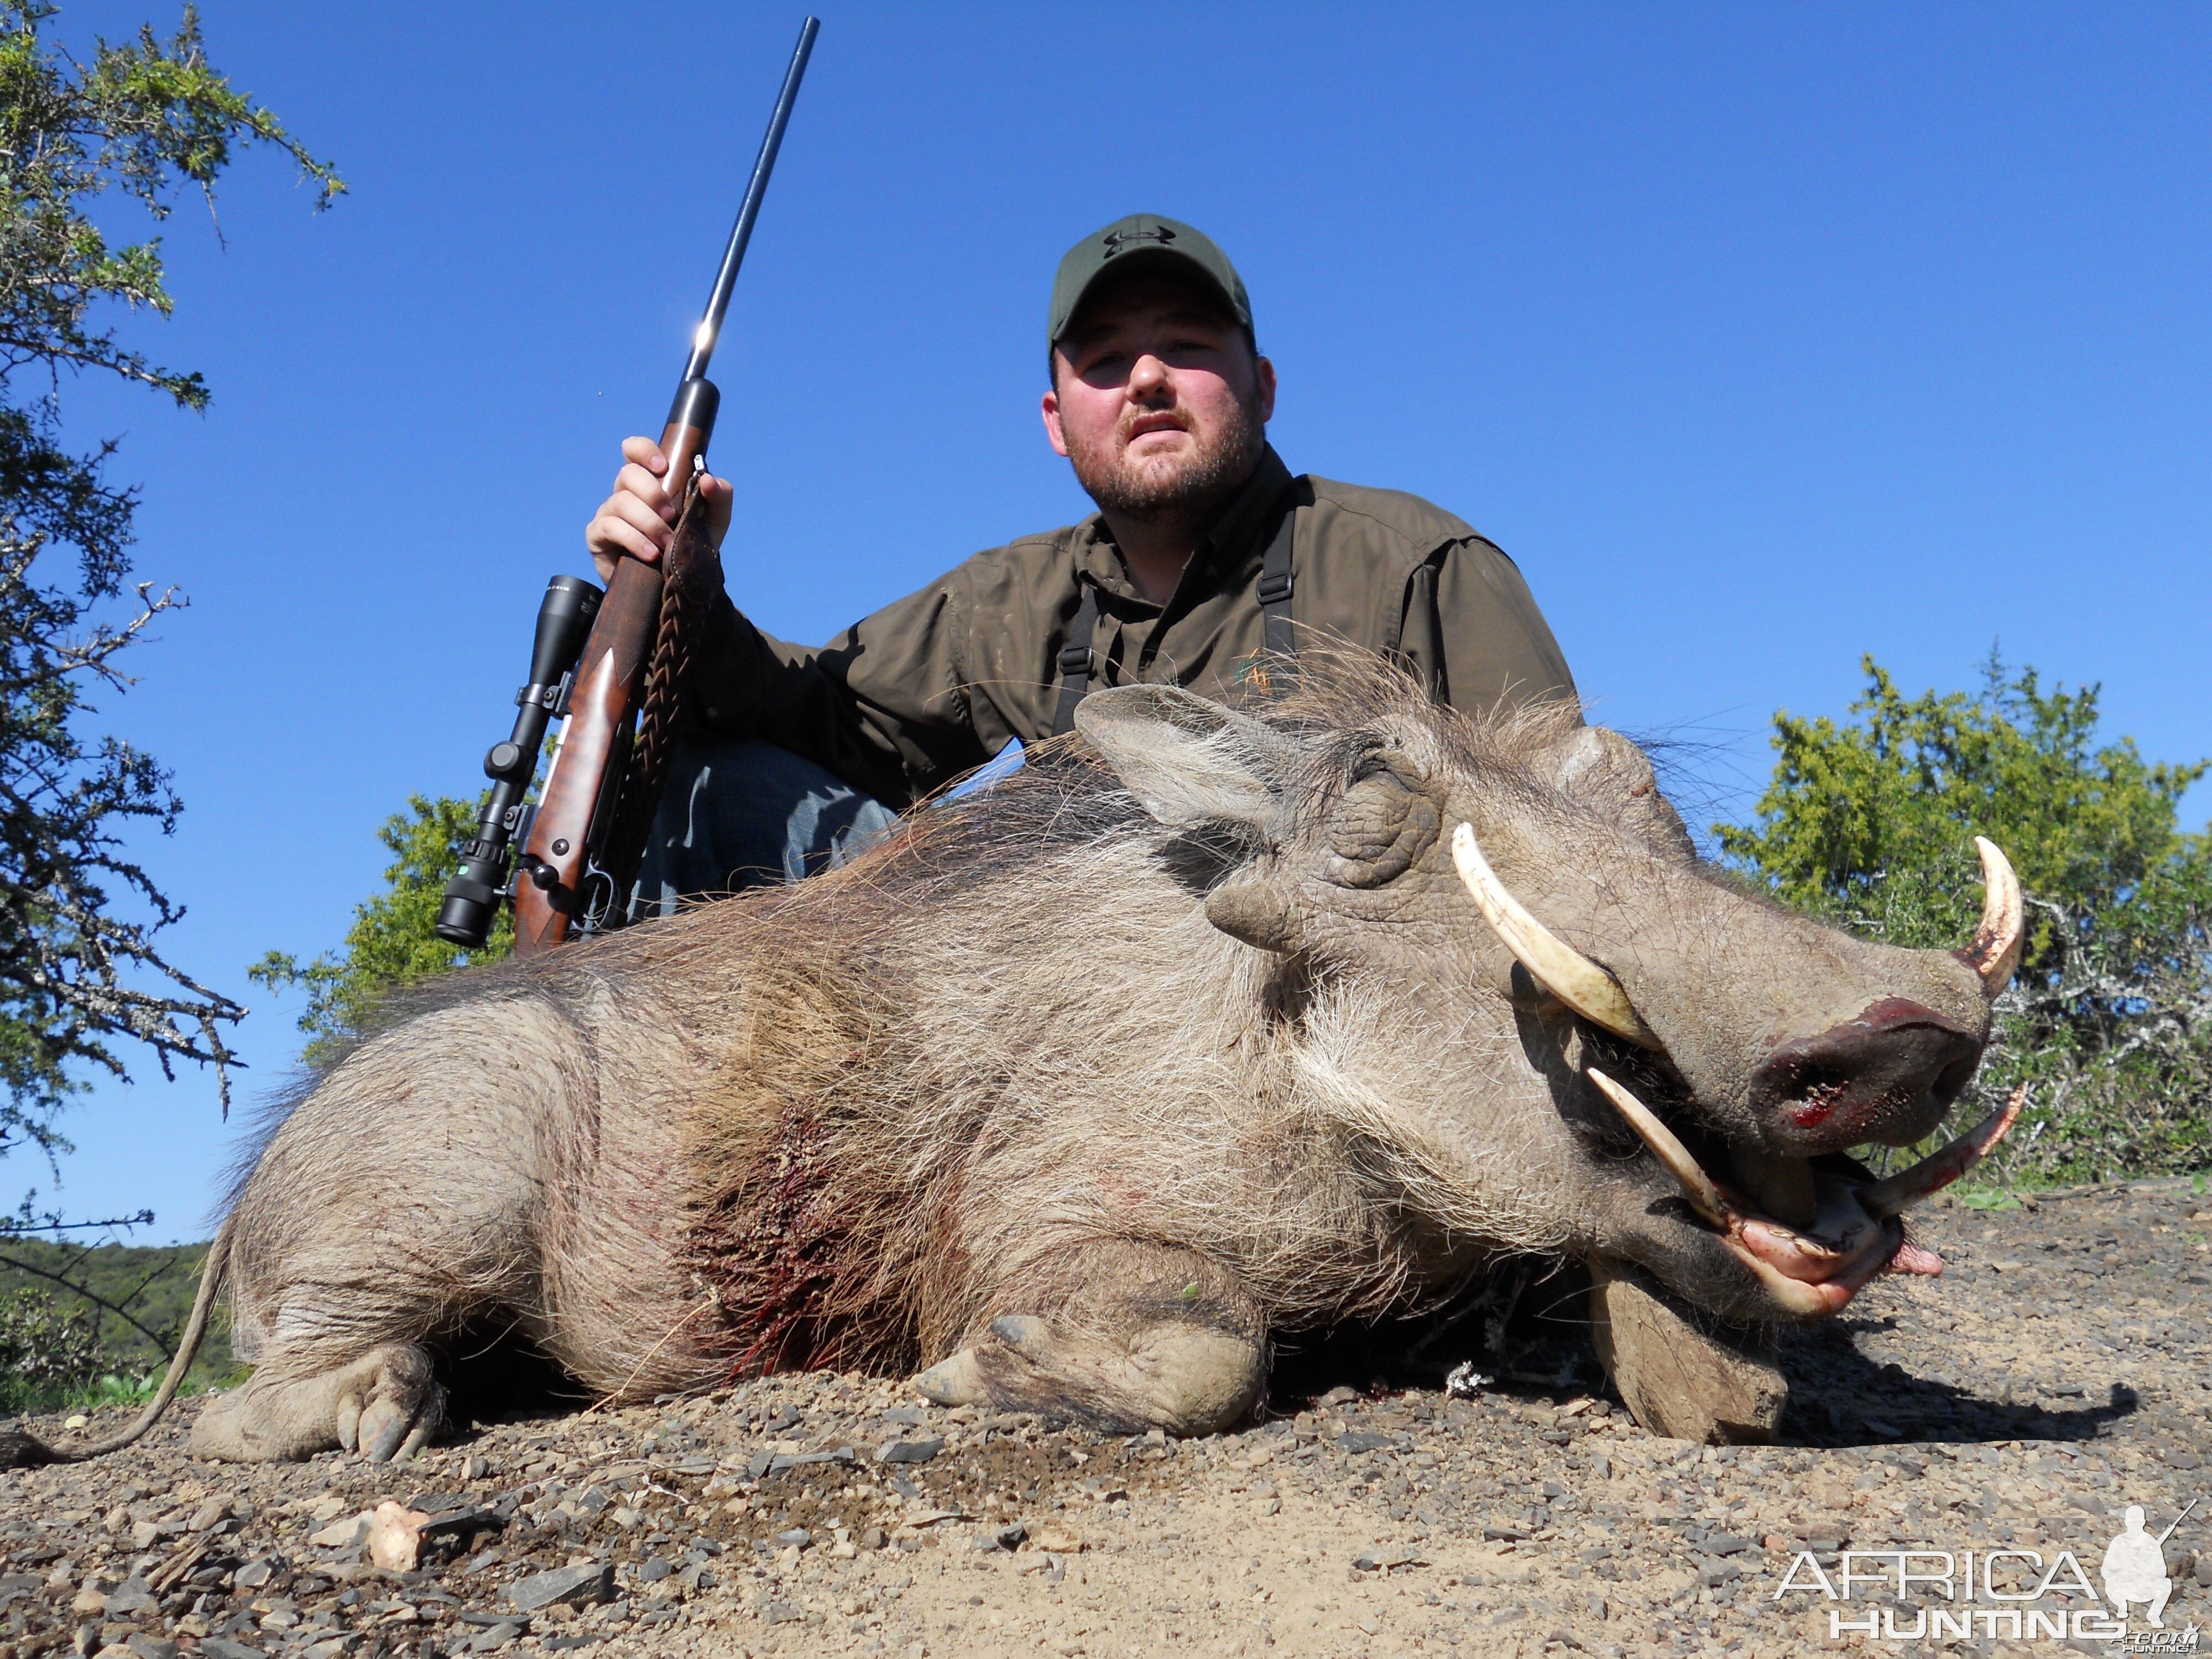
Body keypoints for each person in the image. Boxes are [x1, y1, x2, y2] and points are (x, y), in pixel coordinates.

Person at [583, 213, 1579, 911]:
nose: (1145, 376)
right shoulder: (1012, 600)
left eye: (1186, 344)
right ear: (1058, 424)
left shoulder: (1415, 564)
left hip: (1328, 1027)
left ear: (1263, 387)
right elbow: (814, 715)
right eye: (1103, 359)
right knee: (709, 782)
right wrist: (686, 594)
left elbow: (1574, 846)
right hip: (1071, 1024)